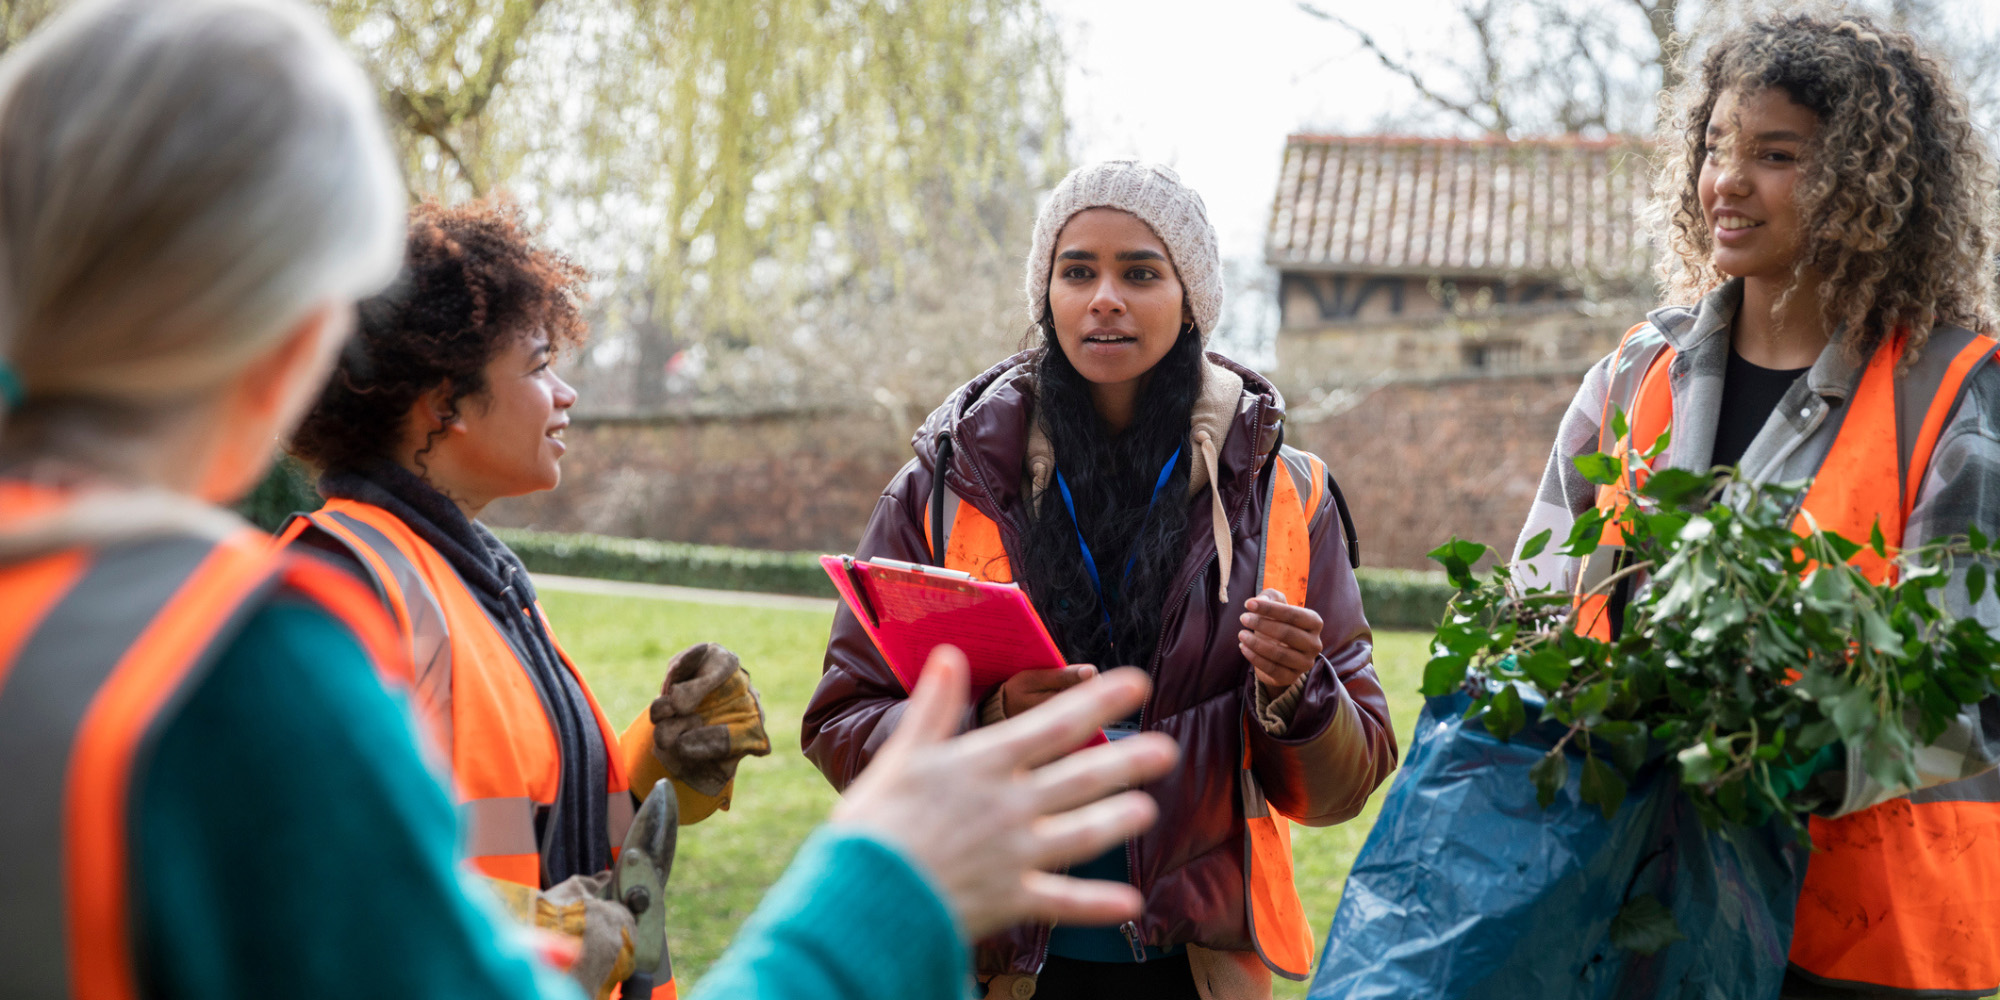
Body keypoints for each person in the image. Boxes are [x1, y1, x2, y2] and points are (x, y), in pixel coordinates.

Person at [0, 2, 1183, 998]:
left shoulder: (441, 578)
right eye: (537, 368)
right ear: (303, 326)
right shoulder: (257, 655)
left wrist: (640, 768)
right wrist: (893, 881)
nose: (566, 396)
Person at [802, 160, 1399, 999]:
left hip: (1197, 972)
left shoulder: (1287, 492)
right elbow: (842, 722)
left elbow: (1345, 784)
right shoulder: (942, 482)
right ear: (1046, 293)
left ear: (1192, 299)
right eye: (1076, 270)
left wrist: (1296, 694)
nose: (1104, 297)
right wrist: (988, 720)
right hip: (989, 965)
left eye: (1140, 273)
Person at [1514, 13, 2000, 998]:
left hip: (1857, 936)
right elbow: (1535, 601)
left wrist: (1764, 758)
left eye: (1774, 155)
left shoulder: (1952, 399)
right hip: (1626, 898)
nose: (1724, 183)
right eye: (1712, 148)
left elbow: (1968, 693)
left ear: (1866, 184)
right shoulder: (1631, 374)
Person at [280, 197, 764, 998]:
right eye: (539, 367)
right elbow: (301, 884)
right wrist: (528, 936)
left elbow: (545, 828)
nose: (566, 394)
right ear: (444, 403)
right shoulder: (338, 584)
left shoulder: (476, 576)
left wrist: (662, 760)